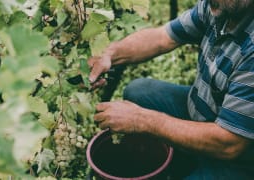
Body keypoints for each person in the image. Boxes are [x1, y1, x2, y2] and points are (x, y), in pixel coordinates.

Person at [88, 0, 254, 179]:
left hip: (237, 158)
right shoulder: (219, 8)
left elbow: (229, 145)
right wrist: (111, 54)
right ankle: (184, 159)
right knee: (139, 92)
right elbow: (162, 38)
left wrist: (142, 119)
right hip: (203, 111)